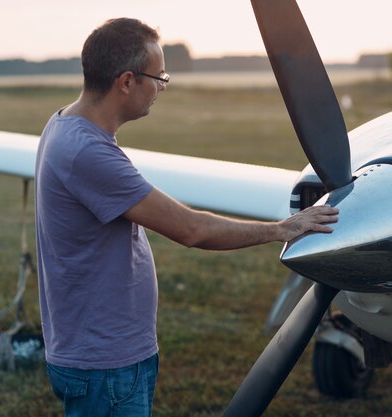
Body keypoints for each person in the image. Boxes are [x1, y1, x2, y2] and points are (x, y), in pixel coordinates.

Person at [34, 18, 338, 417]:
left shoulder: (63, 123)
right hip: (105, 363)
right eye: (158, 76)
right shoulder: (87, 152)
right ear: (126, 81)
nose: (162, 86)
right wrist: (281, 229)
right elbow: (191, 230)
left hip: (99, 352)